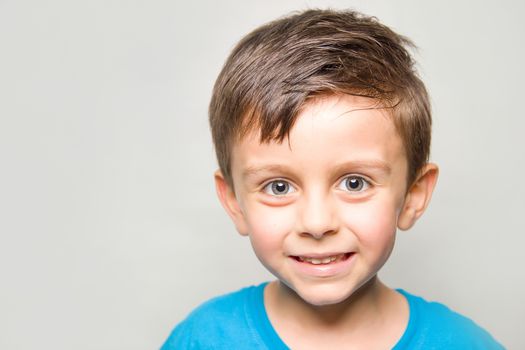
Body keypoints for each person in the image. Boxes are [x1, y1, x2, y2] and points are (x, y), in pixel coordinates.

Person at [162, 9, 503, 349]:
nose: (317, 222)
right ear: (234, 202)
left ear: (413, 195)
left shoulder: (466, 344)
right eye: (278, 187)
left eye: (355, 183)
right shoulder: (201, 339)